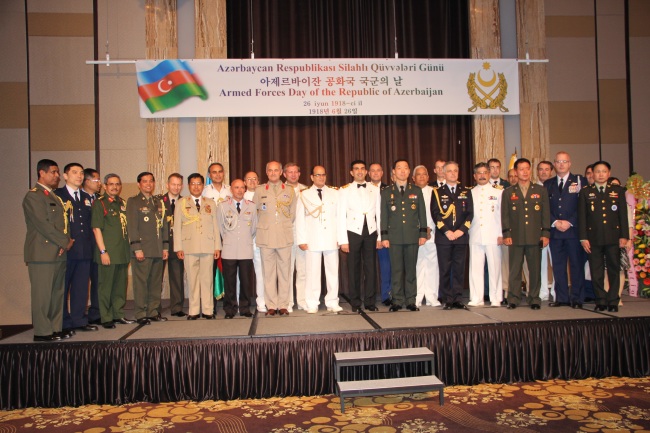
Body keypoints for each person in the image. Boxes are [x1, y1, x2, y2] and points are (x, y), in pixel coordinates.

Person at [23, 159, 74, 341]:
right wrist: (65, 241)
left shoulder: (53, 196)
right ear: (41, 173)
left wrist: (63, 243)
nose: (57, 176)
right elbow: (43, 225)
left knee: (57, 293)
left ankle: (54, 327)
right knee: (42, 294)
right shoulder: (34, 196)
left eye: (58, 172)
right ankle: (42, 332)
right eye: (53, 172)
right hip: (42, 253)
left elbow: (62, 224)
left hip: (58, 251)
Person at [578, 161, 628, 312]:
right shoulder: (586, 192)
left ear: (609, 173)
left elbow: (622, 216)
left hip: (613, 237)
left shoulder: (618, 190)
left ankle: (613, 300)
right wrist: (583, 238)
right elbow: (582, 217)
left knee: (614, 269)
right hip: (594, 239)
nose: (600, 174)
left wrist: (624, 235)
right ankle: (600, 299)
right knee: (596, 271)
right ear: (592, 174)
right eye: (597, 172)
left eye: (604, 171)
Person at [501, 158, 550, 310]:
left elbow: (545, 214)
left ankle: (534, 297)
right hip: (515, 237)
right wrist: (506, 234)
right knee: (515, 270)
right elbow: (505, 215)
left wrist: (546, 233)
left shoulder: (540, 190)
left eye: (527, 169)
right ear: (515, 172)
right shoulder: (509, 192)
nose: (524, 172)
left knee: (535, 269)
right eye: (521, 169)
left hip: (534, 236)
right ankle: (514, 298)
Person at [54, 163, 98, 333]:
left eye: (81, 173)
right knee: (63, 288)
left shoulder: (87, 197)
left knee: (81, 287)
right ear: (65, 176)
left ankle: (79, 320)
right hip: (67, 249)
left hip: (85, 248)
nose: (79, 176)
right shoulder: (58, 195)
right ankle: (64, 322)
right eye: (74, 173)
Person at [380, 159, 428, 311]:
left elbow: (422, 214)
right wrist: (385, 237)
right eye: (399, 168)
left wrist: (423, 234)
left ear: (409, 172)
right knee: (396, 270)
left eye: (405, 168)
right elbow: (384, 216)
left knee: (411, 269)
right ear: (393, 171)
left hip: (412, 236)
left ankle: (411, 300)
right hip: (394, 238)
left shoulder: (416, 190)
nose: (402, 171)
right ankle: (397, 300)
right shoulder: (387, 192)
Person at [296, 166, 343, 313]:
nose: (321, 177)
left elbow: (340, 217)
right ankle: (312, 302)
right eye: (317, 175)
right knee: (312, 273)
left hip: (331, 238)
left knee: (333, 272)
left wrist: (341, 238)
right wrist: (301, 239)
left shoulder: (335, 192)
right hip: (312, 238)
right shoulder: (303, 194)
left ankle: (332, 301)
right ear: (311, 177)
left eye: (323, 175)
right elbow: (300, 218)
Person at [174, 173, 221, 319]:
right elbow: (177, 227)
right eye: (193, 184)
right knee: (192, 280)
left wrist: (217, 246)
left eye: (199, 183)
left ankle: (208, 310)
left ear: (203, 185)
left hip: (207, 246)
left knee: (207, 279)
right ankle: (193, 311)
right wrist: (178, 247)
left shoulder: (210, 203)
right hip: (189, 246)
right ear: (188, 186)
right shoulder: (181, 203)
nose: (196, 186)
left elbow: (215, 226)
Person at [253, 161, 297, 316]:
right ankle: (271, 305)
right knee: (268, 273)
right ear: (266, 172)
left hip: (284, 236)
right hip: (266, 237)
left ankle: (283, 304)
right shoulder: (259, 191)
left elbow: (292, 214)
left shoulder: (290, 190)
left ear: (280, 172)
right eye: (270, 170)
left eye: (276, 170)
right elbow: (255, 213)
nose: (273, 173)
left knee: (285, 272)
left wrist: (281, 226)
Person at [92, 173, 135, 329]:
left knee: (119, 286)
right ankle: (106, 317)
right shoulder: (100, 204)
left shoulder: (122, 203)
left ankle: (118, 314)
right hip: (108, 253)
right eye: (111, 184)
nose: (115, 187)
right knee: (106, 287)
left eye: (117, 184)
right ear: (105, 186)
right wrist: (103, 252)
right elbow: (96, 229)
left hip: (122, 252)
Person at [544, 152, 586, 308]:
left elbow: (583, 206)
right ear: (554, 164)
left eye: (564, 161)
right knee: (559, 267)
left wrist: (570, 221)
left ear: (570, 164)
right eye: (558, 161)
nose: (561, 164)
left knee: (576, 266)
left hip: (573, 232)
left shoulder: (580, 181)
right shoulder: (548, 184)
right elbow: (544, 208)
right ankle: (561, 298)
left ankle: (577, 298)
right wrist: (555, 221)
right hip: (556, 233)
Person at [126, 172, 169, 325]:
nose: (148, 184)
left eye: (151, 181)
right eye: (145, 181)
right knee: (141, 283)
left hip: (157, 250)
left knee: (155, 283)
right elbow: (132, 227)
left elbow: (164, 226)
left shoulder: (158, 202)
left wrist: (165, 247)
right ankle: (140, 312)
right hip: (142, 250)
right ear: (139, 184)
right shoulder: (133, 202)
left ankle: (152, 311)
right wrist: (137, 248)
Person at [339, 160, 381, 312]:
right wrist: (343, 240)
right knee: (353, 268)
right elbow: (340, 216)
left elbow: (379, 214)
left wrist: (380, 236)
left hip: (370, 231)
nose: (360, 171)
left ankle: (370, 301)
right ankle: (355, 302)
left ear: (366, 172)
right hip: (353, 232)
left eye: (362, 169)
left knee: (371, 268)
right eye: (356, 169)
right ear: (351, 172)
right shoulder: (344, 190)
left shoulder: (375, 188)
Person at [431, 161, 473, 310]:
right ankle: (447, 298)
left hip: (461, 236)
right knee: (445, 269)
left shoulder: (466, 191)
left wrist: (461, 231)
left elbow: (469, 214)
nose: (453, 173)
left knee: (459, 268)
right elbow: (436, 214)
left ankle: (457, 298)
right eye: (449, 171)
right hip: (444, 237)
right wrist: (448, 232)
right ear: (443, 172)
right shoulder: (437, 192)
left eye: (455, 171)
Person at [216, 179, 256, 319]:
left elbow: (253, 228)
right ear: (231, 190)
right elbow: (220, 228)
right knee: (229, 282)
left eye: (241, 187)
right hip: (229, 249)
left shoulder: (251, 206)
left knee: (246, 281)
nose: (239, 190)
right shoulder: (222, 206)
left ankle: (245, 308)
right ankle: (230, 309)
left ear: (245, 189)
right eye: (236, 187)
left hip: (245, 249)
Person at [468, 162, 503, 307]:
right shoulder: (469, 193)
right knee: (475, 268)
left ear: (489, 174)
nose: (482, 175)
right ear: (475, 176)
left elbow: (503, 215)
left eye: (485, 172)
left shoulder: (499, 192)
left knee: (495, 268)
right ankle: (477, 298)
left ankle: (496, 298)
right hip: (475, 235)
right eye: (479, 173)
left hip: (494, 236)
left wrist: (502, 233)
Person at [412, 165, 440, 307]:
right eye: (419, 174)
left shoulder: (435, 192)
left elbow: (438, 213)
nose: (422, 177)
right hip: (414, 235)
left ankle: (431, 297)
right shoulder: (410, 192)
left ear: (428, 177)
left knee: (432, 266)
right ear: (413, 178)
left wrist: (430, 229)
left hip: (432, 234)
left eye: (424, 174)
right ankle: (416, 296)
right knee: (416, 266)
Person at [159, 173, 186, 317]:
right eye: (173, 184)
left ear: (182, 186)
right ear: (167, 185)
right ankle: (155, 308)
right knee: (157, 278)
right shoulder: (158, 201)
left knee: (177, 277)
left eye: (179, 184)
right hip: (160, 245)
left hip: (177, 246)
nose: (176, 187)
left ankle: (177, 307)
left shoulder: (185, 202)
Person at [283, 162, 307, 312]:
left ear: (299, 174)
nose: (293, 174)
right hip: (286, 234)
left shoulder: (306, 190)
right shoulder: (280, 190)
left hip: (303, 234)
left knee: (303, 270)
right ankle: (288, 302)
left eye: (295, 172)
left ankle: (302, 301)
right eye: (289, 172)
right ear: (284, 174)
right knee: (287, 270)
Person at [369, 163, 392, 306]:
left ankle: (386, 296)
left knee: (387, 267)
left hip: (385, 233)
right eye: (373, 171)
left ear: (382, 173)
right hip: (367, 233)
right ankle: (368, 296)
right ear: (368, 173)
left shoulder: (389, 190)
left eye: (378, 170)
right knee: (368, 268)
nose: (376, 173)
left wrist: (383, 235)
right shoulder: (363, 189)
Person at [82, 168, 102, 325]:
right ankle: (80, 316)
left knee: (98, 281)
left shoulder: (100, 200)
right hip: (82, 248)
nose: (99, 183)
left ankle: (97, 313)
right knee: (81, 283)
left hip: (98, 247)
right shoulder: (78, 198)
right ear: (87, 181)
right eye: (97, 180)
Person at [244, 171, 266, 313]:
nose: (252, 182)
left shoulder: (263, 195)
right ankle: (241, 303)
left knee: (261, 272)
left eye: (254, 179)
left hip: (259, 238)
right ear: (244, 182)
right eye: (249, 179)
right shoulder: (238, 195)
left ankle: (262, 302)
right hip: (243, 240)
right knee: (242, 274)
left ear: (258, 181)